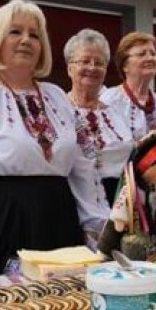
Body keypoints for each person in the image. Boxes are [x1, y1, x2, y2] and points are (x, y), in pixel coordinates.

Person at [0, 0, 108, 276]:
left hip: (61, 220)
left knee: (63, 307)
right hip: (6, 223)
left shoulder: (57, 96)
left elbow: (84, 168)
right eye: (15, 32)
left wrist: (94, 226)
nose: (26, 40)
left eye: (34, 34)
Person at [65, 28, 131, 201]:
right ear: (70, 68)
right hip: (73, 196)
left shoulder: (116, 112)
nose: (92, 67)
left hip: (118, 200)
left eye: (99, 63)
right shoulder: (58, 109)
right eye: (85, 61)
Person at [97, 126, 156, 259]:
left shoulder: (152, 190)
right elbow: (117, 215)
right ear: (145, 165)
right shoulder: (130, 190)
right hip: (128, 243)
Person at [100, 32, 156, 140]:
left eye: (153, 54)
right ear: (125, 66)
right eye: (142, 54)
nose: (150, 58)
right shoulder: (109, 101)